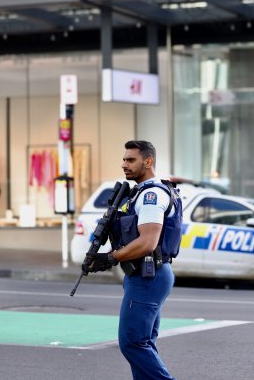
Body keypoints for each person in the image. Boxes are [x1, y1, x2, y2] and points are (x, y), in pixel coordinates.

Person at [88, 140, 181, 380]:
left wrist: (110, 258)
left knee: (132, 343)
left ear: (148, 162)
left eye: (131, 160)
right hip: (147, 274)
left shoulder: (150, 195)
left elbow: (147, 242)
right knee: (143, 342)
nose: (124, 164)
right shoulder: (140, 192)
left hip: (148, 276)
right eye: (124, 159)